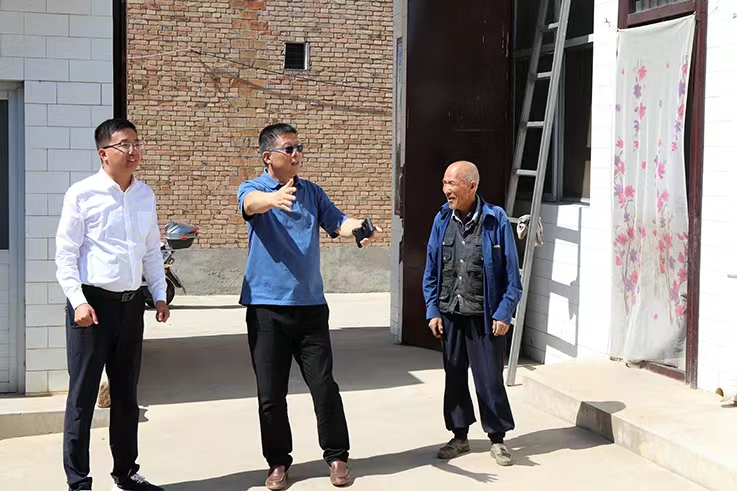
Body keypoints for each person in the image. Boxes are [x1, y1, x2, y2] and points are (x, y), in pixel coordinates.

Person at [237, 123, 379, 490]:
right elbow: (250, 205)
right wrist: (272, 200)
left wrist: (359, 227)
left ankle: (337, 456)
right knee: (270, 395)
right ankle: (278, 463)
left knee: (324, 386)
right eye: (289, 149)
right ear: (268, 156)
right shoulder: (252, 188)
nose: (297, 154)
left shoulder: (312, 192)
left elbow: (338, 222)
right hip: (266, 309)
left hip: (311, 307)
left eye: (299, 147)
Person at [56, 119, 170, 491]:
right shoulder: (82, 194)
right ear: (104, 153)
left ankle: (126, 473)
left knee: (126, 395)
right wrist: (78, 301)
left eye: (136, 143)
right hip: (91, 308)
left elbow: (151, 250)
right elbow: (66, 255)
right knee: (83, 396)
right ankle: (78, 481)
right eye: (124, 144)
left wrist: (159, 293)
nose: (133, 150)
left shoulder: (144, 195)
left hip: (130, 306)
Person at [422, 160, 523, 466]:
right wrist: (432, 309)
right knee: (454, 377)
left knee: (489, 380)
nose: (446, 190)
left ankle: (497, 439)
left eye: (452, 184)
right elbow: (431, 269)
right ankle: (459, 436)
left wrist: (504, 313)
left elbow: (513, 276)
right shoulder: (442, 218)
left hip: (485, 315)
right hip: (450, 312)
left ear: (472, 186)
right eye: (444, 183)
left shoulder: (496, 219)